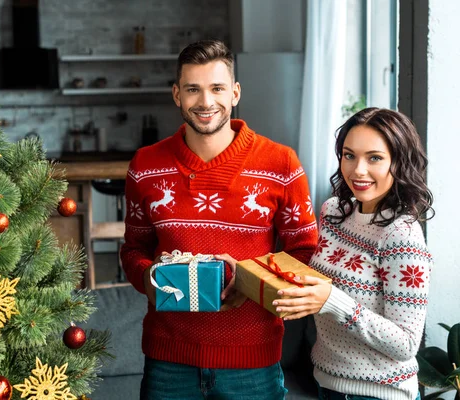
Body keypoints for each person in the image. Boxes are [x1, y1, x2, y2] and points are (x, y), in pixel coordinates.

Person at [120, 39, 318, 400]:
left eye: (217, 88)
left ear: (235, 93)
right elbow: (134, 249)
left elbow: (305, 253)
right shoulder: (145, 166)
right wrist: (152, 281)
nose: (206, 102)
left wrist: (248, 281)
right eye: (193, 89)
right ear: (177, 94)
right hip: (168, 361)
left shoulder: (282, 164)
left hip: (252, 363)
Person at [275, 108, 433, 400]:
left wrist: (333, 301)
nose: (358, 170)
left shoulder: (402, 236)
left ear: (399, 162)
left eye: (374, 158)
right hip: (325, 382)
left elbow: (406, 343)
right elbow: (321, 282)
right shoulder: (334, 212)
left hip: (379, 393)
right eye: (349, 155)